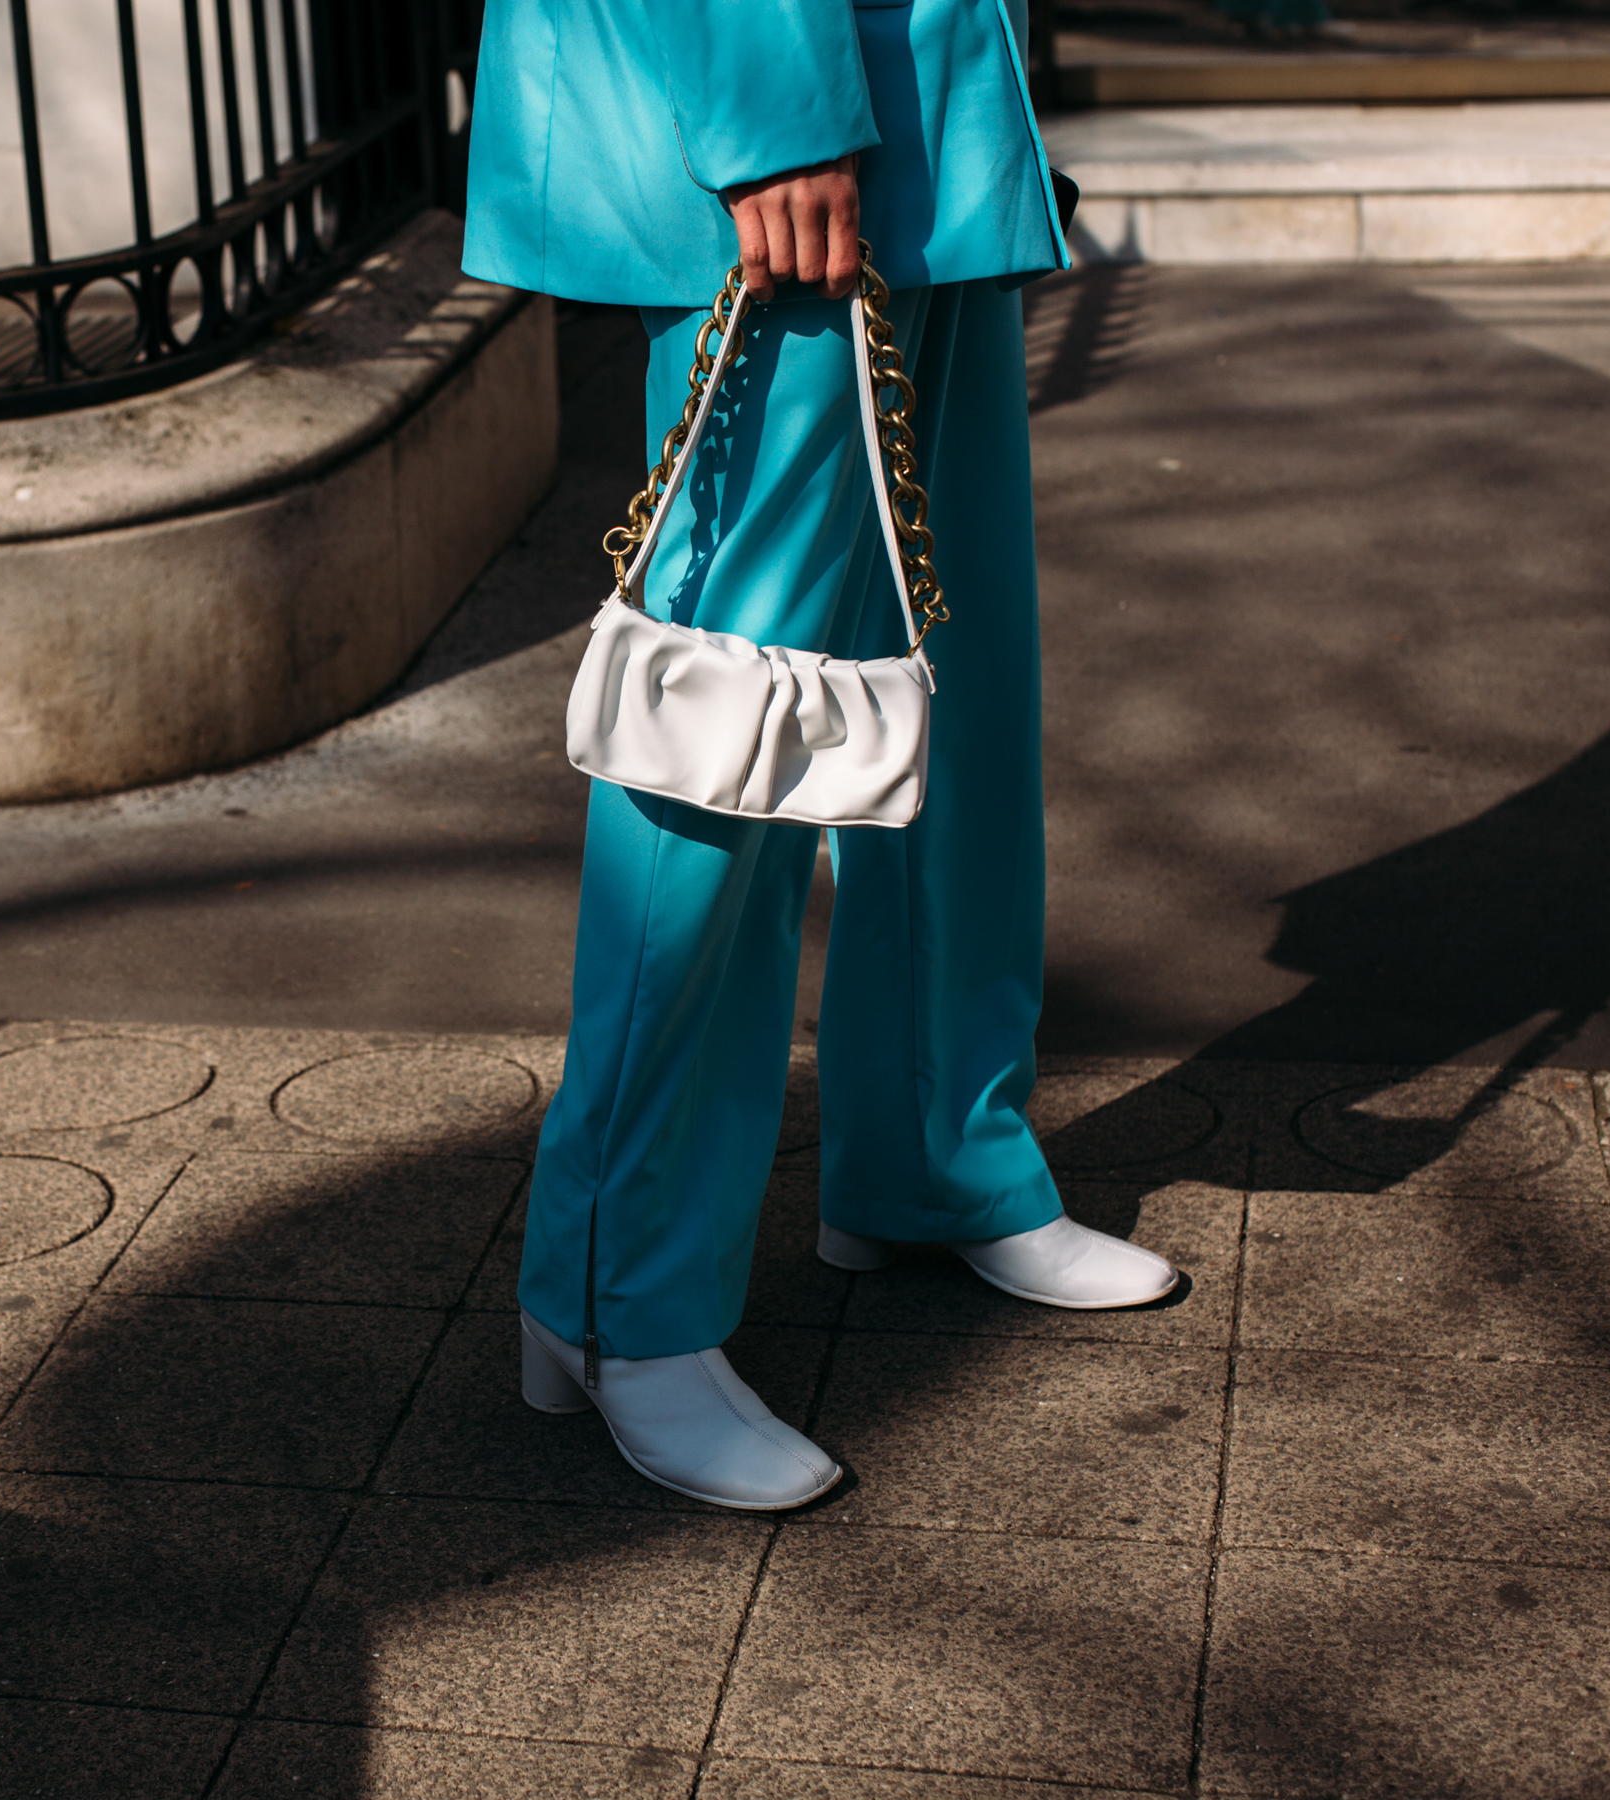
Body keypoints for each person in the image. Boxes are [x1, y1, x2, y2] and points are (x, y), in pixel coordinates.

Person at [462, 0, 1182, 1511]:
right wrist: (774, 109)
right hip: (789, 95)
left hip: (926, 86)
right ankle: (618, 1300)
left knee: (950, 684)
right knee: (726, 733)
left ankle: (937, 1156)